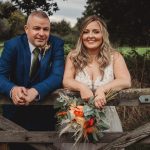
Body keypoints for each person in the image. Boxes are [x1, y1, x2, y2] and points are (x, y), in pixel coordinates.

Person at [62, 15, 131, 149]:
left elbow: (125, 80)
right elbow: (67, 80)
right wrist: (81, 87)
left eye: (96, 31)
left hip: (107, 119)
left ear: (103, 34)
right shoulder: (73, 56)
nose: (90, 36)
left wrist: (102, 89)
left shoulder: (115, 56)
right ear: (81, 35)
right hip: (78, 118)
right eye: (86, 32)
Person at [0, 10, 64, 149]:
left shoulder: (56, 44)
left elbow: (57, 75)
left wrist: (36, 90)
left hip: (44, 113)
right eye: (36, 28)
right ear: (26, 29)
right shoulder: (13, 45)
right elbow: (0, 75)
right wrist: (12, 89)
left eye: (46, 29)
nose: (42, 33)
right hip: (15, 115)